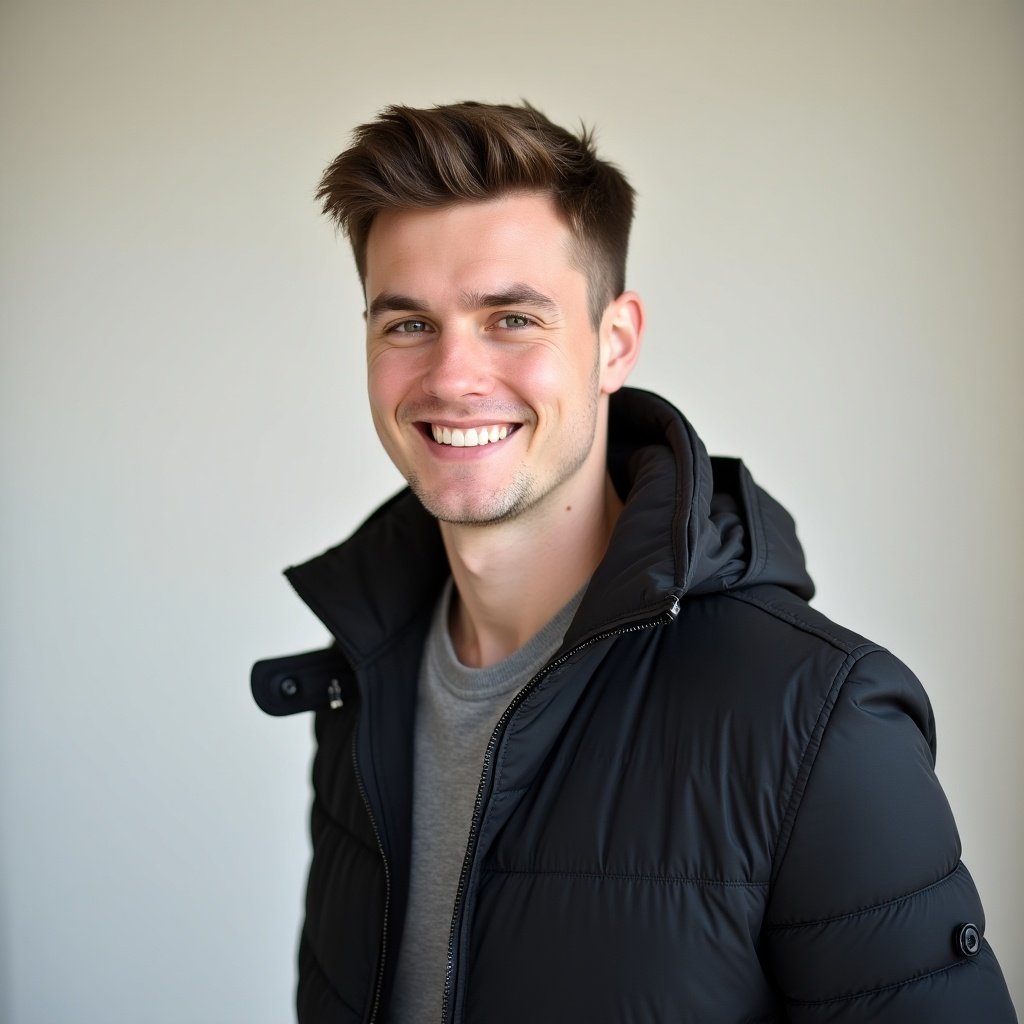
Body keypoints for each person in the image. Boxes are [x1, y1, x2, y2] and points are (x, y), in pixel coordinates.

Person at [251, 102, 1017, 1024]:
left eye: (511, 319)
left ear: (614, 342)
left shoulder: (818, 721)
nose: (453, 377)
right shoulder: (360, 679)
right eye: (407, 325)